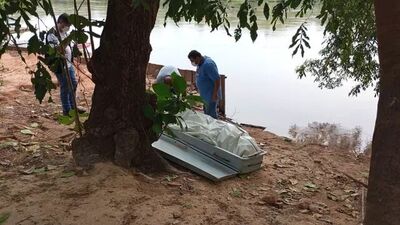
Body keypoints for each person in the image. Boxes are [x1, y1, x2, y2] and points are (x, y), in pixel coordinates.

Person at [46, 13, 84, 116]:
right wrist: (69, 38)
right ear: (61, 22)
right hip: (59, 64)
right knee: (65, 86)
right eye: (67, 24)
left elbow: (68, 47)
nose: (68, 27)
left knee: (74, 84)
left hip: (68, 63)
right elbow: (58, 49)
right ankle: (66, 110)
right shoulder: (51, 34)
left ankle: (73, 106)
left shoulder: (64, 32)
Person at [188, 50, 221, 119]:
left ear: (198, 57)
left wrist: (214, 95)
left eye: (193, 61)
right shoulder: (200, 63)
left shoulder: (208, 65)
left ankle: (214, 129)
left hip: (211, 96)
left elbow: (217, 80)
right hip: (205, 96)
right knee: (206, 115)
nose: (193, 63)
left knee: (212, 116)